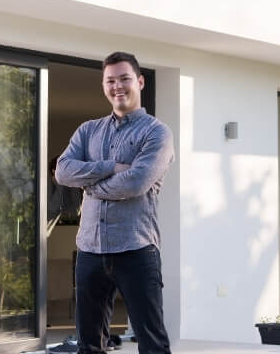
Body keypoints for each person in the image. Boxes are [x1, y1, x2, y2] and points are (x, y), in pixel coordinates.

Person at [55, 52, 174, 354]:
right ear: (104, 85)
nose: (117, 86)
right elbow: (63, 171)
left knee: (152, 345)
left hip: (136, 249)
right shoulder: (88, 131)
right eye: (110, 80)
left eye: (124, 78)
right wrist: (111, 167)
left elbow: (135, 183)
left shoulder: (156, 133)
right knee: (89, 346)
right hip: (90, 250)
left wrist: (89, 185)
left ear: (140, 82)